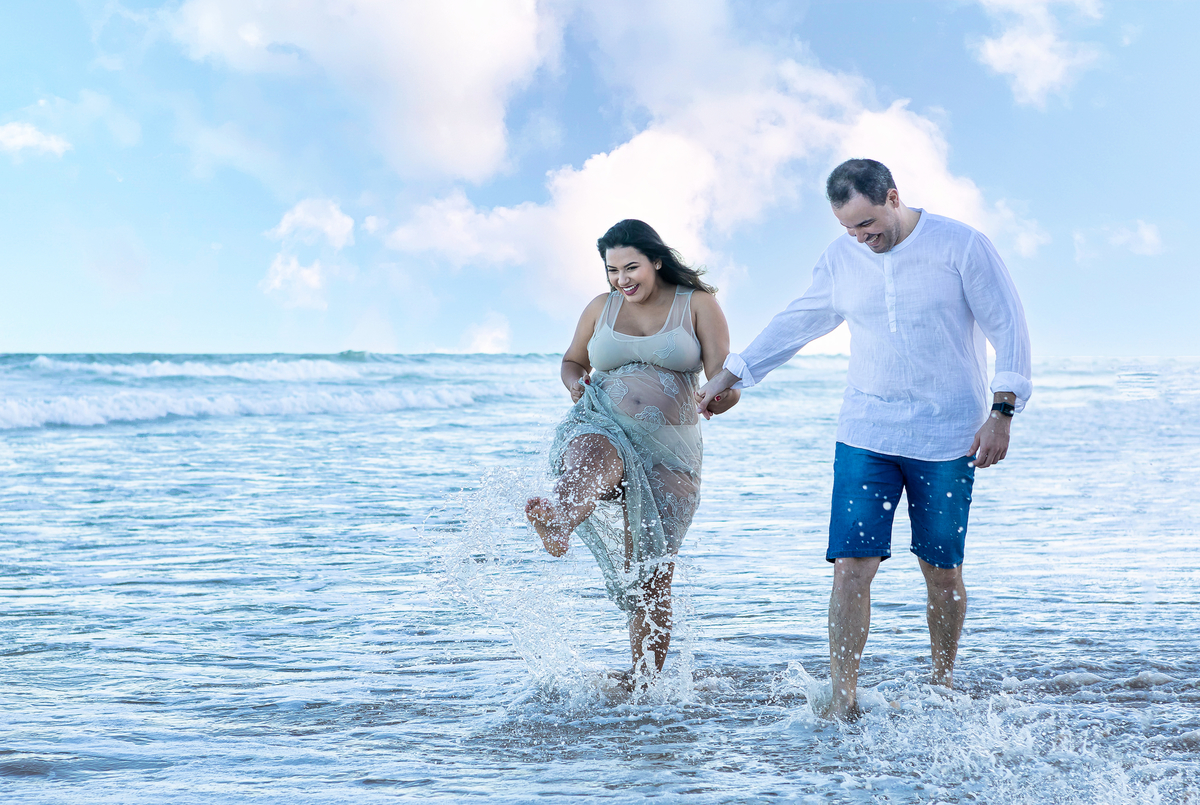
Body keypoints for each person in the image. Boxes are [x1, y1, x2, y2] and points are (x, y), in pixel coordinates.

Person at [696, 159, 1032, 720]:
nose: (860, 237)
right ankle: (842, 697)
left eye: (867, 223)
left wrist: (1003, 412)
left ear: (893, 198)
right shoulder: (842, 258)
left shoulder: (962, 246)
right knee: (850, 564)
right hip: (866, 432)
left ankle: (942, 680)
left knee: (941, 569)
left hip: (947, 435)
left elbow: (1010, 327)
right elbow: (798, 321)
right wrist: (730, 375)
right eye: (848, 228)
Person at [526, 219, 738, 685]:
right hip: (602, 419)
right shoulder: (599, 308)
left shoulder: (697, 305)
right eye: (612, 270)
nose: (621, 279)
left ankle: (645, 684)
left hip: (670, 450)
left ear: (656, 261)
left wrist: (719, 397)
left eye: (631, 267)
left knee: (651, 571)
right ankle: (559, 517)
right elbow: (572, 361)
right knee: (592, 455)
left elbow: (723, 378)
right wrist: (573, 384)